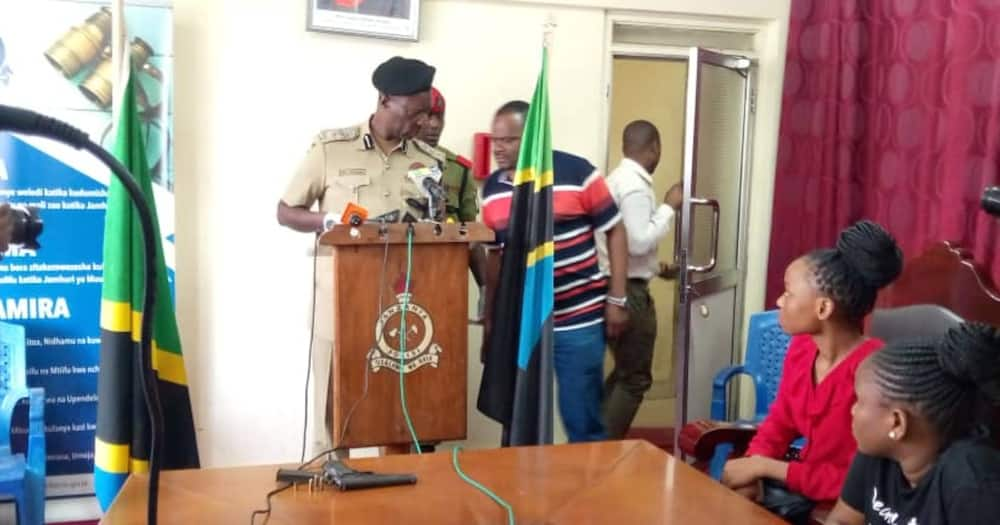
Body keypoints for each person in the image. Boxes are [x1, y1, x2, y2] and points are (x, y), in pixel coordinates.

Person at [276, 55, 440, 456]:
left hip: (404, 301)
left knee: (399, 400)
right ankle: (333, 476)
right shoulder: (331, 149)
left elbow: (438, 228)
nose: (422, 122)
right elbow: (285, 211)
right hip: (340, 298)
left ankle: (399, 487)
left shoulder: (430, 161)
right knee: (336, 397)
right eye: (415, 112)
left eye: (427, 113)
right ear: (385, 99)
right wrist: (326, 220)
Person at [721, 220, 903, 523]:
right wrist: (752, 467)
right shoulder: (803, 348)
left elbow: (858, 483)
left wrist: (766, 467)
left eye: (789, 293)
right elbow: (780, 421)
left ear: (823, 309)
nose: (779, 300)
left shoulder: (873, 373)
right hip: (802, 491)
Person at [480, 100, 629, 443]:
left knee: (582, 419)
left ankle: (591, 493)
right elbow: (495, 259)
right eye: (495, 139)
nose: (498, 149)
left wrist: (617, 298)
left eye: (508, 140)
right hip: (523, 324)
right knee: (518, 421)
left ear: (534, 137)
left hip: (578, 320)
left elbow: (616, 230)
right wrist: (491, 322)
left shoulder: (577, 173)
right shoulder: (491, 190)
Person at [826, 322, 1000, 525]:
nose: (853, 409)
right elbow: (842, 520)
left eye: (860, 401)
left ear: (897, 423)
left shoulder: (974, 484)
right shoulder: (878, 450)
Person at [601, 120, 682, 439]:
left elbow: (624, 244)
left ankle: (592, 443)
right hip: (628, 293)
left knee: (624, 372)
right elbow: (635, 242)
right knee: (634, 379)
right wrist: (668, 207)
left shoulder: (616, 180)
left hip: (616, 282)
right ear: (655, 148)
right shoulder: (634, 186)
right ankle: (600, 450)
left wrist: (656, 268)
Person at [415, 87, 487, 295]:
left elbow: (470, 232)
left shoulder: (458, 169)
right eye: (428, 116)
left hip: (447, 277)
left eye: (439, 117)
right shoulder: (388, 164)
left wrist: (485, 288)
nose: (435, 125)